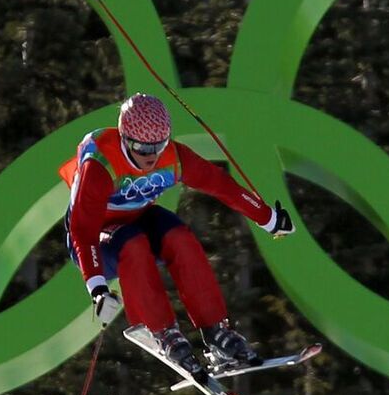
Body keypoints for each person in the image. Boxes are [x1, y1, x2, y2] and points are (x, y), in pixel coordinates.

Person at [60, 93, 295, 379]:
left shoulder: (174, 157)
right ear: (124, 138)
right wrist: (97, 287)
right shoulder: (100, 166)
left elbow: (220, 184)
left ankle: (216, 331)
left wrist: (268, 219)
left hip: (137, 218)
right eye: (141, 148)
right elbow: (82, 230)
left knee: (180, 238)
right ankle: (163, 331)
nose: (151, 156)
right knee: (134, 244)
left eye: (158, 146)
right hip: (96, 239)